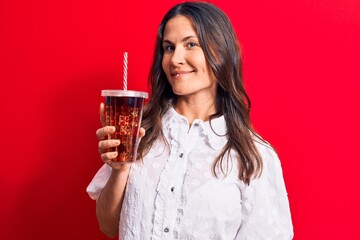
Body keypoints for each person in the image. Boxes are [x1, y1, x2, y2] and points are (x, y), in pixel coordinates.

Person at [87, 2, 293, 239]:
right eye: (168, 47)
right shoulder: (139, 131)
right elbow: (109, 226)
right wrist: (120, 170)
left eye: (191, 44)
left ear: (221, 51)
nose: (175, 59)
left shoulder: (253, 156)